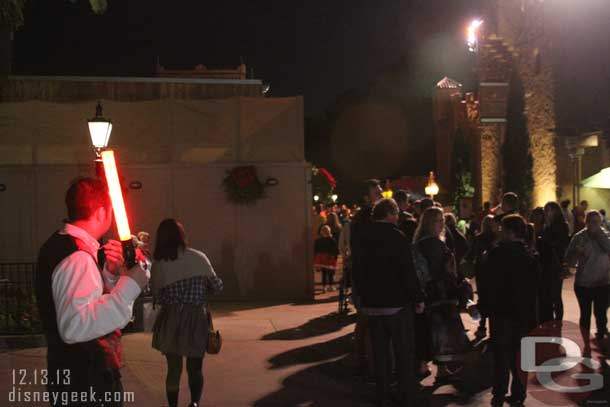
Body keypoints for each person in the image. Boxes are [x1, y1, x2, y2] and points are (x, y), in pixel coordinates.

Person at [35, 177, 149, 407]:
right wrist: (129, 285)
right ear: (100, 212)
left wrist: (110, 275)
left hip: (73, 374)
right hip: (86, 380)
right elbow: (74, 325)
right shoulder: (78, 257)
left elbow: (83, 300)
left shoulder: (62, 245)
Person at [359, 198, 424, 407]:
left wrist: (360, 296)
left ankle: (383, 395)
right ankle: (406, 394)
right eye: (396, 214)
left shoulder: (363, 237)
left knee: (380, 354)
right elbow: (407, 271)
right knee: (403, 351)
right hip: (396, 303)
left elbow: (358, 271)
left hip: (371, 304)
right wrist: (417, 297)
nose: (397, 218)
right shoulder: (397, 237)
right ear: (389, 214)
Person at [151, 219, 223, 407]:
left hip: (171, 318)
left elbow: (156, 294)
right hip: (196, 318)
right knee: (195, 368)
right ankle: (194, 403)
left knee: (173, 370)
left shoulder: (159, 264)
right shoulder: (199, 257)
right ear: (181, 235)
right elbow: (217, 287)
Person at [480, 214, 539, 407]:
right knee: (520, 356)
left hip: (501, 312)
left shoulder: (497, 255)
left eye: (503, 230)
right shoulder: (530, 256)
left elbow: (488, 285)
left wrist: (484, 307)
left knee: (501, 355)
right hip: (523, 314)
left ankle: (499, 391)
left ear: (510, 232)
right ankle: (519, 392)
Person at [413, 207, 470, 384]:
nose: (441, 224)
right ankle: (440, 369)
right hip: (439, 293)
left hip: (429, 293)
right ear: (429, 223)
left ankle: (428, 366)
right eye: (438, 221)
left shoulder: (419, 244)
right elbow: (444, 271)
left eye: (442, 221)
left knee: (427, 331)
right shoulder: (434, 245)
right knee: (440, 332)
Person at [350, 179, 384, 376]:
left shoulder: (371, 216)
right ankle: (365, 363)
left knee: (367, 321)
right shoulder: (365, 218)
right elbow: (361, 250)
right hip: (365, 275)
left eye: (380, 191)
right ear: (366, 197)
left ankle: (366, 361)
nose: (380, 194)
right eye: (376, 192)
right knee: (365, 320)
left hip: (370, 274)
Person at [565, 210, 610, 346]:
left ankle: (601, 335)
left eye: (596, 222)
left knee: (600, 313)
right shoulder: (579, 237)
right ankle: (584, 341)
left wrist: (599, 236)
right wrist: (576, 254)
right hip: (584, 283)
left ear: (601, 223)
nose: (593, 225)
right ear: (586, 222)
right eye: (590, 222)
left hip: (603, 282)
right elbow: (569, 258)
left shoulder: (606, 236)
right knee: (585, 314)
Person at [464, 214, 499, 340]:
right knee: (494, 299)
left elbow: (470, 254)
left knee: (483, 299)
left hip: (482, 272)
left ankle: (482, 327)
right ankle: (494, 328)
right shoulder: (497, 238)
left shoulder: (479, 238)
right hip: (494, 272)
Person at [538, 201, 571, 323]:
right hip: (547, 263)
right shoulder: (546, 224)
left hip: (555, 263)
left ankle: (558, 320)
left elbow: (559, 244)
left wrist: (545, 237)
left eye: (548, 210)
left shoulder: (561, 226)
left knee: (556, 294)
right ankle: (551, 318)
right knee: (549, 293)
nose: (546, 213)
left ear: (555, 211)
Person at [314, 225, 339, 292]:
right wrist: (335, 257)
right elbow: (336, 249)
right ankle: (330, 286)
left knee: (324, 273)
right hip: (329, 257)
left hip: (321, 258)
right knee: (330, 273)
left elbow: (316, 249)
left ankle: (323, 287)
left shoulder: (319, 240)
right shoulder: (332, 240)